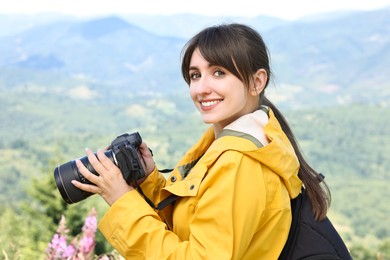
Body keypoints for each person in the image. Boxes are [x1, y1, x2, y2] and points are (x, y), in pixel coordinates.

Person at [71, 23, 330, 259]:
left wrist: (121, 199)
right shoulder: (237, 143)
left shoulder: (240, 164)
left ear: (257, 81)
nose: (201, 88)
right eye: (195, 75)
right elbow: (198, 223)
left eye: (219, 73)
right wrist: (149, 181)